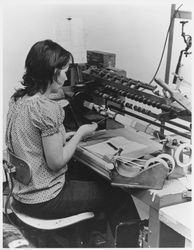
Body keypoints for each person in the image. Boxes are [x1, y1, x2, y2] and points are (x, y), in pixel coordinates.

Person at [5, 39, 139, 242]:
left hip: (22, 194)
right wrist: (79, 134)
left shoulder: (18, 100)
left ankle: (94, 237)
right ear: (52, 71)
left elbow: (29, 141)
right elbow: (56, 162)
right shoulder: (47, 109)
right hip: (44, 199)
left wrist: (60, 137)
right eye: (64, 70)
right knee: (119, 195)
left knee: (88, 175)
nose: (67, 76)